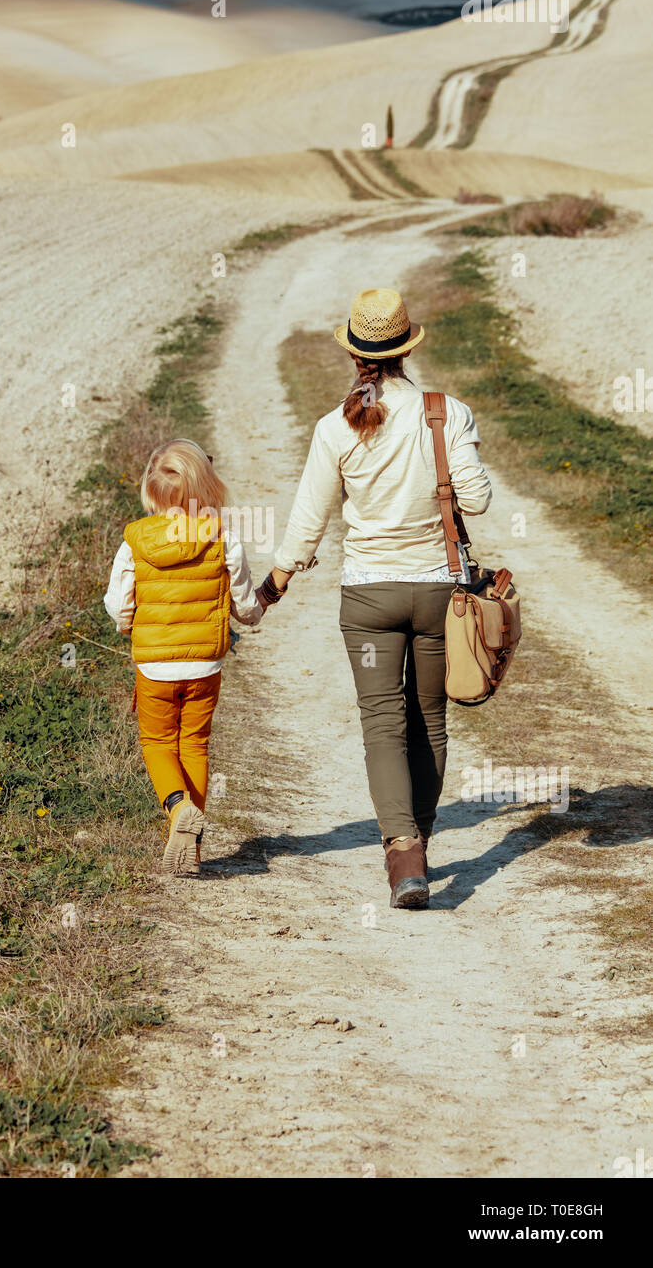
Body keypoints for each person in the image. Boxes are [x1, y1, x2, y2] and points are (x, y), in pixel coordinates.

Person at [257, 287, 492, 909]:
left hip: (368, 599)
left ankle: (403, 856)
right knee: (430, 721)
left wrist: (277, 581)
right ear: (408, 347)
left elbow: (309, 521)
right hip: (440, 595)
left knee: (383, 726)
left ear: (355, 354)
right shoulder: (447, 412)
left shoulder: (335, 427)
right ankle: (422, 838)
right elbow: (480, 500)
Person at [104, 439, 262, 877]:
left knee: (157, 743)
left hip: (154, 667)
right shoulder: (222, 537)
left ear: (150, 494)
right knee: (194, 744)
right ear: (205, 488)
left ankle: (177, 812)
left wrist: (128, 625)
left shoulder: (133, 541)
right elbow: (245, 607)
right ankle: (190, 842)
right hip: (205, 666)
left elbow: (120, 607)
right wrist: (263, 604)